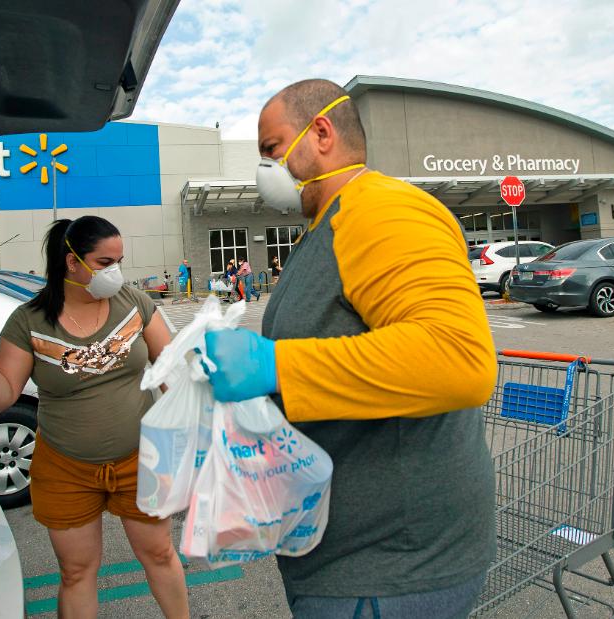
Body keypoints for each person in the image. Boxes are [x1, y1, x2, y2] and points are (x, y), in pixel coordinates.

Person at [202, 79, 498, 618]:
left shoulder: (381, 210)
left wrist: (274, 366)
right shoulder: (325, 226)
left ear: (320, 133)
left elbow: (459, 359)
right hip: (341, 558)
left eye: (271, 150)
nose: (266, 167)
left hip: (390, 571)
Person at [0, 216, 188, 619]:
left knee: (159, 554)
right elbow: (0, 399)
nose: (116, 272)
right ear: (72, 262)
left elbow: (175, 368)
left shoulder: (134, 303)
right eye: (104, 262)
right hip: (66, 469)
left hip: (141, 460)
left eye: (119, 260)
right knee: (76, 571)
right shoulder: (30, 321)